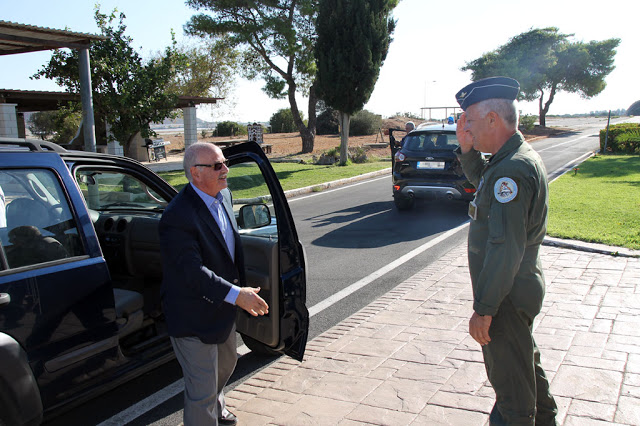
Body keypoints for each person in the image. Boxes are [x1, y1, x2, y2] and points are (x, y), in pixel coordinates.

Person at [454, 76, 557, 425]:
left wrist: (484, 309)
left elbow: (504, 248)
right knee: (524, 366)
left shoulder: (511, 171)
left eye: (469, 118)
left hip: (506, 297)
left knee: (512, 396)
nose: (464, 125)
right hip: (517, 287)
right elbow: (483, 181)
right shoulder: (509, 160)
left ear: (493, 119)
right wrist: (467, 149)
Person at [159, 142, 269, 426]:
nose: (226, 170)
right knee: (201, 392)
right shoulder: (177, 217)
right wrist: (237, 295)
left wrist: (234, 296)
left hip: (221, 310)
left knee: (225, 366)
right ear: (196, 173)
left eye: (225, 162)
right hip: (193, 316)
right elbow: (192, 272)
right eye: (217, 165)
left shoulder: (225, 195)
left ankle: (217, 408)